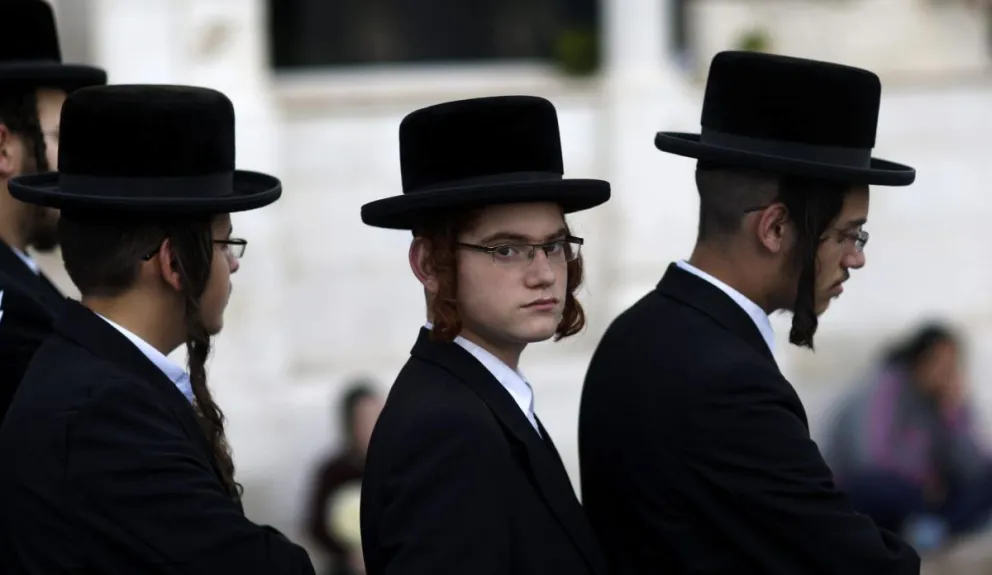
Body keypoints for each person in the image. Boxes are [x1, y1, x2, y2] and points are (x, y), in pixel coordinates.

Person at [578, 51, 922, 574]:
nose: (856, 258)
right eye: (848, 234)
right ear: (775, 228)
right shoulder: (726, 381)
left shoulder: (636, 332)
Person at [0, 84, 314, 574]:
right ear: (173, 262)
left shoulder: (93, 375)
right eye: (225, 243)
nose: (233, 264)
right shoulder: (103, 413)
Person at [359, 95, 611, 575]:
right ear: (428, 264)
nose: (544, 274)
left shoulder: (482, 400)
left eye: (555, 244)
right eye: (506, 250)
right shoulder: (447, 429)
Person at [0, 0, 107, 423]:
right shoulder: (19, 316)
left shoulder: (24, 287)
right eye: (60, 135)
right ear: (3, 149)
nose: (77, 162)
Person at [824, 322, 992, 552]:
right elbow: (869, 457)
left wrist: (954, 414)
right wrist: (922, 481)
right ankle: (930, 527)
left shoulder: (943, 401)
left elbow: (971, 466)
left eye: (951, 365)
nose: (945, 372)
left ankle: (939, 529)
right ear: (919, 360)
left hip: (926, 496)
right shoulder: (883, 390)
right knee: (883, 489)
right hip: (875, 490)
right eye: (939, 362)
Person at [306, 381, 383, 575]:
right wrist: (347, 555)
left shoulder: (399, 467)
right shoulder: (334, 471)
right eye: (365, 419)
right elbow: (317, 527)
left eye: (378, 416)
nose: (373, 425)